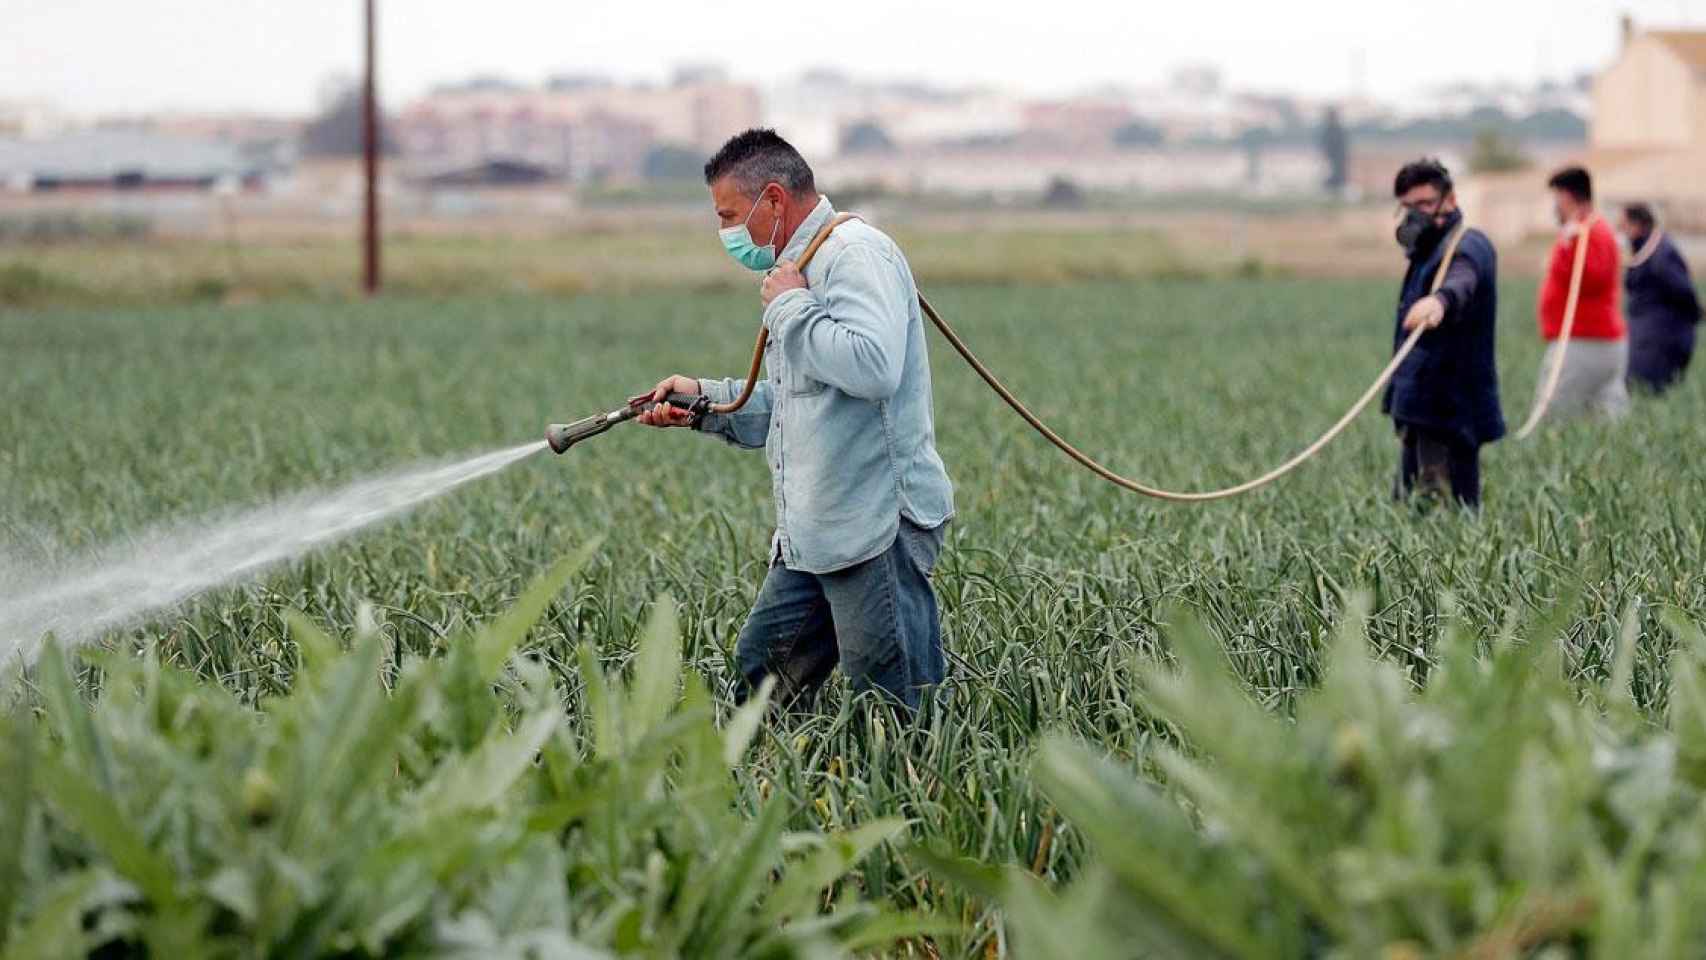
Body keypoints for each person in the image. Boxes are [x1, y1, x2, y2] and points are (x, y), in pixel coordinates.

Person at [637, 129, 954, 712]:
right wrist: (702, 402)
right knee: (763, 671)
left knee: (895, 701)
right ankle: (771, 790)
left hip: (874, 523)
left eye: (730, 216)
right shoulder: (800, 267)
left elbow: (873, 367)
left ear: (775, 200)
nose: (726, 234)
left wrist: (790, 306)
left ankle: (921, 794)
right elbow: (793, 403)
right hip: (817, 532)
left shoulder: (854, 255)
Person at [1382, 158, 1505, 507]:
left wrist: (1440, 302)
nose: (1414, 215)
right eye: (1407, 207)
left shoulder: (1469, 244)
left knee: (1443, 509)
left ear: (1449, 200)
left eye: (1423, 204)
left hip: (1450, 409)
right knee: (1408, 504)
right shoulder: (1425, 249)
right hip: (1418, 403)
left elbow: (1462, 279)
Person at [1534, 166, 1628, 422]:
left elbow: (1593, 278)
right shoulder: (1590, 230)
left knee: (1554, 420)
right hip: (1597, 340)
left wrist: (1567, 247)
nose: (1554, 206)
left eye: (1556, 198)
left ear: (1566, 196)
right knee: (1605, 421)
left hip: (1583, 341)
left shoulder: (1588, 232)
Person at [1619, 202, 1702, 393]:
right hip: (1645, 335)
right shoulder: (1642, 249)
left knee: (1651, 391)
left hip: (1661, 337)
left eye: (1624, 226)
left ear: (1638, 225)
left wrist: (1695, 313)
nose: (1621, 231)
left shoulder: (1660, 253)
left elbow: (1682, 290)